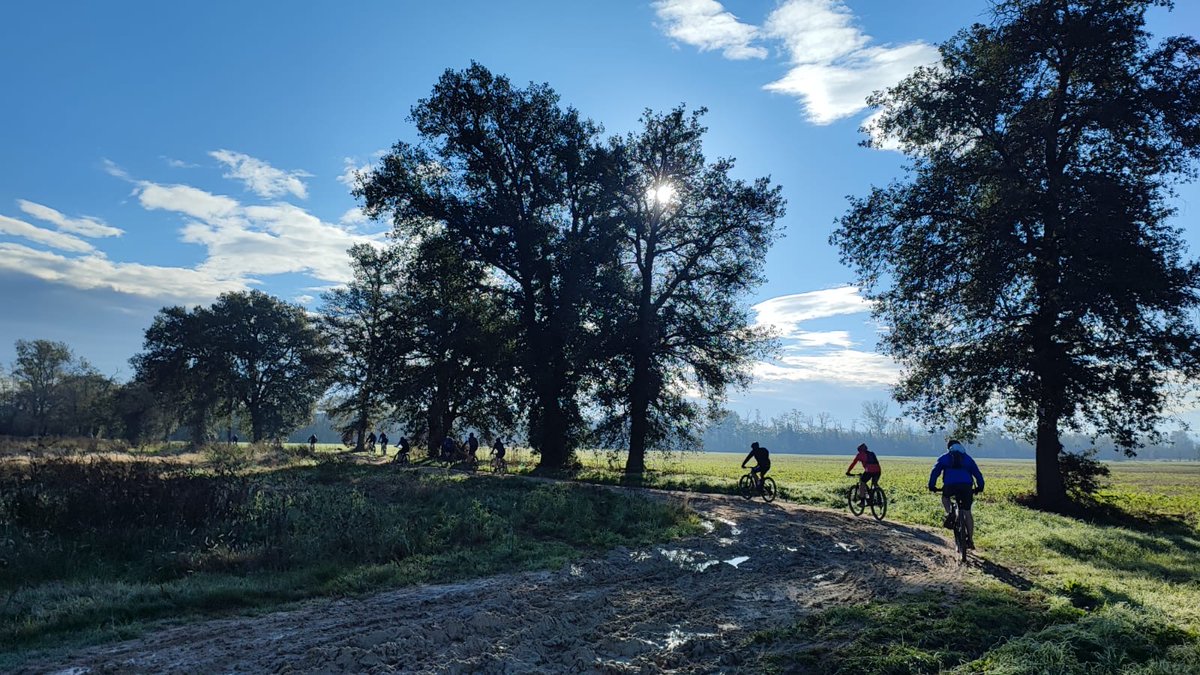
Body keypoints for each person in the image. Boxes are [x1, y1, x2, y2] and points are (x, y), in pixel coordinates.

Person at [928, 439, 985, 549]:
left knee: (945, 497)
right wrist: (980, 487)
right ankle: (970, 540)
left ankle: (950, 512)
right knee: (967, 512)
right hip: (966, 487)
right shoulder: (968, 458)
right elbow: (977, 473)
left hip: (950, 486)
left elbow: (935, 471)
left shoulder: (944, 457)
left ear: (949, 448)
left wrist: (932, 485)